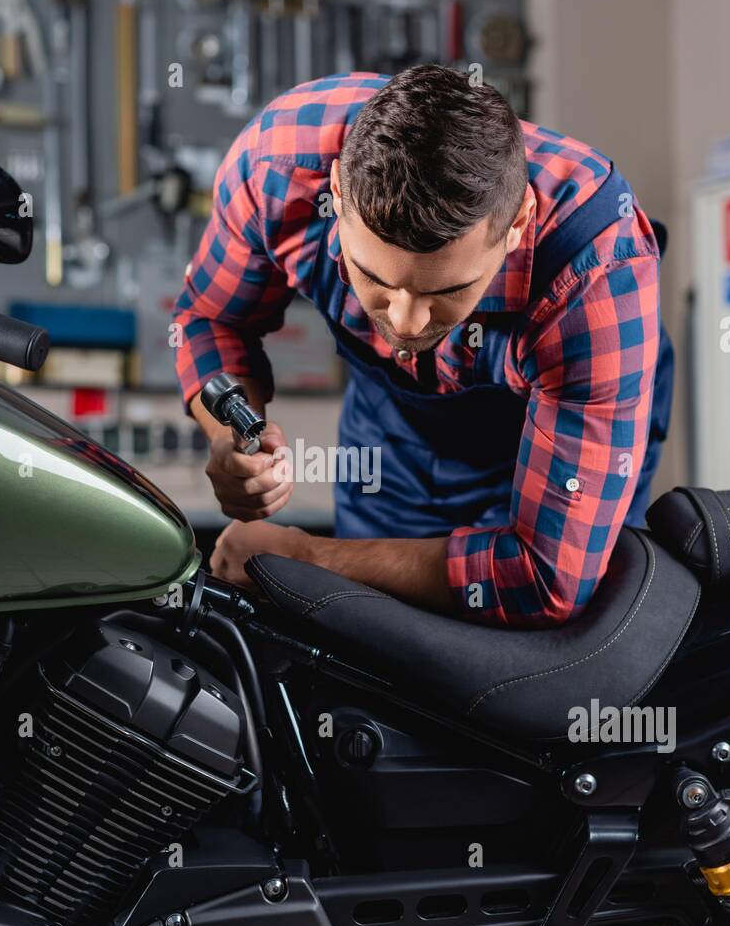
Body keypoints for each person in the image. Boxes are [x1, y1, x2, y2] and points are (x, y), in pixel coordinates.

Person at [172, 65, 672, 626]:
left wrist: (308, 557)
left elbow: (545, 578)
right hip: (394, 436)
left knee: (538, 656)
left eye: (449, 290)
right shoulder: (277, 166)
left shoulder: (597, 271)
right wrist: (228, 437)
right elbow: (210, 318)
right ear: (336, 192)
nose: (407, 324)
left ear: (517, 223)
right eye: (376, 281)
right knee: (368, 643)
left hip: (556, 425)